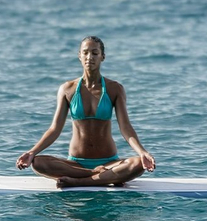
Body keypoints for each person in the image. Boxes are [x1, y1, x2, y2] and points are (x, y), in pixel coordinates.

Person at [16, 36, 156, 188]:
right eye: (86, 53)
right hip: (75, 164)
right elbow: (55, 129)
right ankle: (97, 176)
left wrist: (142, 152)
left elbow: (125, 127)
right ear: (79, 56)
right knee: (38, 162)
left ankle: (80, 181)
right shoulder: (67, 89)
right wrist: (31, 152)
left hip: (109, 162)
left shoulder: (114, 89)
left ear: (102, 57)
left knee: (137, 164)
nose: (90, 57)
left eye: (95, 53)